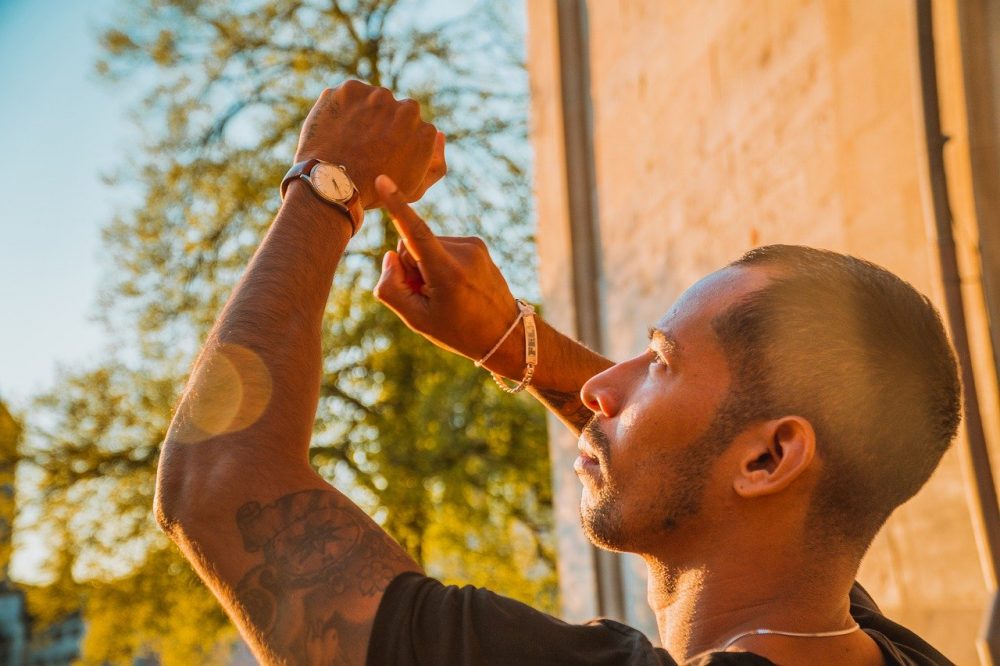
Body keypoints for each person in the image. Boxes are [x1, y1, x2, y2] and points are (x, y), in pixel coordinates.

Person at [155, 81, 961, 665]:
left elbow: (218, 485)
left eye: (660, 362)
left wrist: (327, 184)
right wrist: (513, 343)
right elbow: (701, 451)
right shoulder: (875, 641)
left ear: (768, 459)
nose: (603, 387)